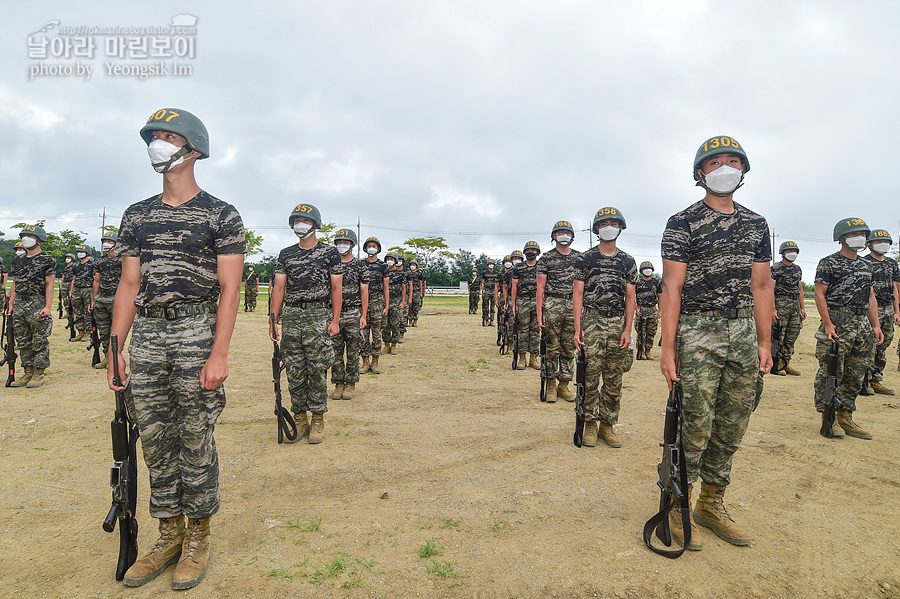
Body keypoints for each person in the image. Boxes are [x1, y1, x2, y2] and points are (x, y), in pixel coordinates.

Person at [111, 108, 245, 590]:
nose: (157, 144)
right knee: (155, 441)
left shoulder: (220, 213)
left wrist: (220, 353)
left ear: (192, 148)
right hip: (147, 337)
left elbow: (230, 288)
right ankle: (168, 534)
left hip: (196, 334)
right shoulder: (137, 214)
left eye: (167, 136)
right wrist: (116, 347)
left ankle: (198, 538)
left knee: (194, 437)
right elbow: (129, 284)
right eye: (152, 137)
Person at [660, 135, 773, 550]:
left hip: (744, 332)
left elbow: (761, 285)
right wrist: (668, 348)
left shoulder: (757, 224)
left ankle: (711, 502)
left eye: (732, 161)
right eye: (715, 162)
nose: (725, 168)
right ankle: (676, 504)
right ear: (700, 174)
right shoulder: (682, 222)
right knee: (694, 422)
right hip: (698, 332)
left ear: (743, 171)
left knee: (732, 422)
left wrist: (765, 341)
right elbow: (672, 288)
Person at [270, 203, 342, 443]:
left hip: (317, 316)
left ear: (315, 224)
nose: (299, 224)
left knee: (317, 368)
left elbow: (336, 287)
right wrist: (273, 319)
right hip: (291, 317)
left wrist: (335, 320)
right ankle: (299, 418)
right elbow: (279, 287)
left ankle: (318, 418)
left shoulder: (330, 253)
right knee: (294, 369)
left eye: (305, 220)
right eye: (296, 220)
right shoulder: (286, 254)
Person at [813, 218, 884, 442]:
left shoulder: (866, 265)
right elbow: (819, 294)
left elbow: (870, 296)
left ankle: (846, 416)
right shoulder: (828, 263)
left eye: (863, 233)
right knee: (831, 371)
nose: (861, 237)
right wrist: (827, 323)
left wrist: (875, 325)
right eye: (856, 234)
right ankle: (829, 416)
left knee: (857, 371)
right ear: (843, 237)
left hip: (861, 322)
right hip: (837, 319)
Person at [573, 207, 637, 448]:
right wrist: (578, 328)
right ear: (597, 229)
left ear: (621, 227)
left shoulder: (628, 261)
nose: (609, 226)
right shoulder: (585, 259)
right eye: (603, 223)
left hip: (618, 321)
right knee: (590, 375)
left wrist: (627, 329)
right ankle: (589, 422)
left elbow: (631, 297)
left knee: (614, 378)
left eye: (613, 223)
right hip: (592, 321)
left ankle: (607, 424)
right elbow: (577, 293)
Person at [6, 225, 55, 388]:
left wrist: (48, 306)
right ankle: (28, 371)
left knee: (39, 339)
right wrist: (11, 304)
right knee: (22, 339)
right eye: (24, 235)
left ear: (38, 239)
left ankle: (39, 372)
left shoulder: (47, 259)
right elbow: (15, 283)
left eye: (29, 235)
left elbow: (49, 284)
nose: (25, 238)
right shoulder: (18, 260)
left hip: (37, 302)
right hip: (20, 302)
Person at [537, 221, 580, 402]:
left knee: (569, 348)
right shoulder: (545, 259)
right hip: (553, 303)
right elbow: (540, 289)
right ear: (554, 236)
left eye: (567, 232)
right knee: (552, 347)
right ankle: (551, 385)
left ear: (572, 236)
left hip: (573, 304)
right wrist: (540, 314)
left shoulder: (580, 258)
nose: (564, 235)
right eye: (560, 232)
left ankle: (564, 384)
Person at [330, 229, 368, 400]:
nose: (342, 245)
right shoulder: (331, 263)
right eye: (339, 242)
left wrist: (363, 316)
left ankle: (351, 383)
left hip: (353, 312)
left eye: (345, 242)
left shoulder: (360, 266)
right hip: (334, 314)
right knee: (335, 350)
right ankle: (338, 383)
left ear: (352, 245)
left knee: (353, 350)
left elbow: (364, 291)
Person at [862, 229, 899, 394]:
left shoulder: (892, 263)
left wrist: (897, 310)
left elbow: (895, 288)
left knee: (884, 344)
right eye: (878, 241)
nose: (882, 244)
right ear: (870, 244)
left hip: (888, 308)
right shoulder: (863, 262)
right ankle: (864, 381)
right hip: (870, 309)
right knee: (869, 345)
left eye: (886, 241)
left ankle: (876, 379)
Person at [771, 241, 806, 375]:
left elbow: (800, 289)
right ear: (783, 253)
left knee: (792, 334)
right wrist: (773, 309)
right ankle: (776, 363)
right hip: (781, 303)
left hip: (794, 305)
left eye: (794, 251)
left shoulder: (797, 269)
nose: (792, 253)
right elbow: (771, 289)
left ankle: (786, 362)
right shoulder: (776, 268)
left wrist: (802, 308)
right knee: (779, 334)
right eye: (789, 250)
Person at [91, 231, 121, 369]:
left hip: (117, 298)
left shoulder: (123, 260)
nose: (106, 243)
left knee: (116, 330)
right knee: (103, 330)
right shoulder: (99, 261)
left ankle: (116, 357)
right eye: (104, 241)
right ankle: (106, 356)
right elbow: (96, 281)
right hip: (101, 298)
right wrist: (93, 300)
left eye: (109, 241)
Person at [361, 237, 389, 374]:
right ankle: (365, 361)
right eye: (369, 245)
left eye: (374, 246)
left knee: (377, 333)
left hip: (378, 302)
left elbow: (386, 288)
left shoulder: (383, 266)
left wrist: (387, 305)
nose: (371, 248)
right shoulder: (360, 264)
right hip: (362, 303)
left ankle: (375, 361)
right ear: (365, 248)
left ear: (378, 248)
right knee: (364, 333)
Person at [511, 242, 541, 371]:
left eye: (533, 250)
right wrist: (514, 304)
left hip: (537, 301)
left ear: (537, 252)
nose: (531, 252)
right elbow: (514, 286)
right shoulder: (518, 268)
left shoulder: (541, 266)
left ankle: (534, 358)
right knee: (523, 330)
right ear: (524, 252)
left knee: (535, 331)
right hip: (522, 301)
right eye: (528, 250)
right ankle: (522, 358)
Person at [635, 261, 662, 359]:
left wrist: (660, 311)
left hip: (652, 310)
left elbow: (660, 297)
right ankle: (641, 352)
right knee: (641, 333)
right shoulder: (637, 282)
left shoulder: (656, 282)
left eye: (649, 269)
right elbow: (632, 297)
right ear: (641, 271)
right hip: (642, 310)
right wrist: (636, 309)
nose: (647, 270)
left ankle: (648, 352)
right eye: (645, 268)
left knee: (651, 332)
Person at [382, 252, 406, 354]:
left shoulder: (400, 274)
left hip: (396, 301)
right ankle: (386, 344)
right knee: (385, 324)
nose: (389, 261)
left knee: (395, 324)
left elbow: (404, 288)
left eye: (392, 259)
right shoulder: (383, 272)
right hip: (384, 302)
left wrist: (403, 302)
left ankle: (394, 345)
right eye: (388, 259)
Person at [69, 243, 93, 341]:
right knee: (78, 311)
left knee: (88, 312)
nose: (80, 254)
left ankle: (88, 332)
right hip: (77, 290)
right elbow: (73, 279)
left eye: (82, 252)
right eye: (78, 252)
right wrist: (71, 291)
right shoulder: (75, 265)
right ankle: (80, 332)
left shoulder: (92, 264)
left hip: (88, 289)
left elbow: (96, 279)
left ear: (87, 253)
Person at [481, 259, 500, 327]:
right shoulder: (484, 273)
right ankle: (486, 320)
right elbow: (483, 282)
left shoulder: (496, 273)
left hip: (493, 291)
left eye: (492, 264)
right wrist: (482, 291)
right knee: (486, 306)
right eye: (489, 264)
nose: (491, 265)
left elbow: (498, 283)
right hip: (487, 290)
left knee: (492, 306)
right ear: (488, 265)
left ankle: (492, 321)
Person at [407, 259, 426, 326]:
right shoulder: (407, 273)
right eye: (411, 265)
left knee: (415, 307)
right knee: (409, 307)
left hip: (416, 292)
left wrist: (421, 293)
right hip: (409, 293)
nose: (412, 266)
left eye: (414, 265)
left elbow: (421, 284)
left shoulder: (419, 274)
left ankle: (415, 321)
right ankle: (410, 321)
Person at [60, 253, 76, 321]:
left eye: (69, 258)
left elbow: (74, 277)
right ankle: (67, 311)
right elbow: (63, 276)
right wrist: (61, 285)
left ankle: (72, 312)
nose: (67, 259)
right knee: (64, 298)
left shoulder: (74, 267)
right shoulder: (65, 268)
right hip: (65, 283)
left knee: (70, 298)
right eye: (67, 257)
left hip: (71, 283)